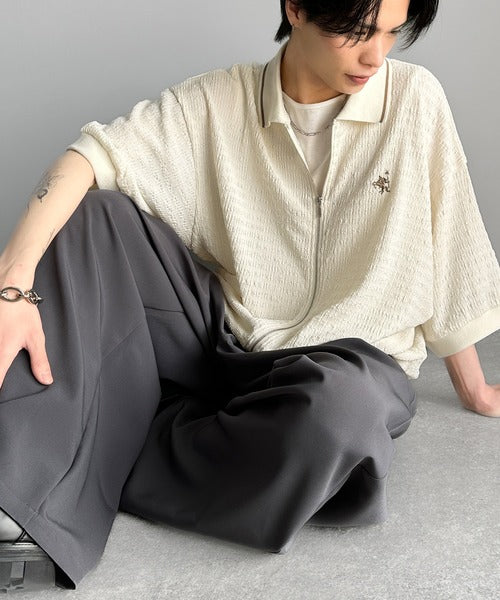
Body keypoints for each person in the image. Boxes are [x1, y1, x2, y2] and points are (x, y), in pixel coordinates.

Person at [1, 0, 499, 592]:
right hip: (221, 343)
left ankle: (107, 442)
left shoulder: (415, 100)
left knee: (339, 414)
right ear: (297, 8)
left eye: (393, 33)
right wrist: (12, 287)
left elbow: (450, 236)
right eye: (358, 32)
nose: (376, 55)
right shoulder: (219, 100)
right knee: (96, 215)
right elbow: (88, 159)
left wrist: (473, 387)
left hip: (348, 369)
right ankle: (20, 501)